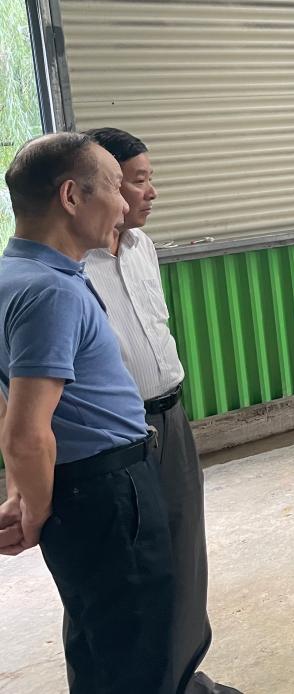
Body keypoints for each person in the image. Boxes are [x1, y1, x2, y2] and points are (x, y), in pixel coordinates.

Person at [0, 132, 176, 692]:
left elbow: (4, 403)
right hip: (106, 493)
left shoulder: (12, 276)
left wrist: (25, 492)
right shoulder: (52, 291)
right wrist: (35, 510)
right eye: (115, 189)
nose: (125, 205)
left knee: (100, 642)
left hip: (84, 488)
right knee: (135, 651)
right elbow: (25, 433)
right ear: (72, 196)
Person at [81, 127, 240, 694]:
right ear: (96, 187)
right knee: (120, 573)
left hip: (170, 418)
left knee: (183, 551)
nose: (151, 192)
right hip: (114, 439)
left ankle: (180, 676)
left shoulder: (142, 247)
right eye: (137, 180)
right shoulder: (69, 267)